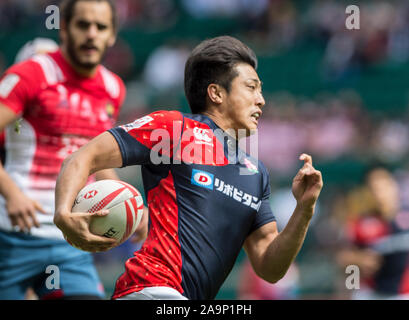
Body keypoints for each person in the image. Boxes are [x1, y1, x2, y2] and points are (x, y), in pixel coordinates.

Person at [54, 35, 323, 300]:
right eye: (251, 87)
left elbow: (270, 267)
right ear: (216, 93)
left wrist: (304, 209)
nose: (261, 99)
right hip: (151, 287)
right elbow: (83, 157)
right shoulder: (174, 129)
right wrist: (63, 214)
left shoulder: (255, 173)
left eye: (260, 90)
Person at [0, 0, 127, 300]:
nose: (92, 34)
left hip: (69, 242)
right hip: (10, 237)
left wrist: (128, 205)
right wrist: (13, 195)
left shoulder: (113, 88)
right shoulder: (32, 74)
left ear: (112, 35)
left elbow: (97, 159)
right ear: (65, 29)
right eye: (83, 25)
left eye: (101, 27)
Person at [336, 166, 409, 299]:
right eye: (374, 189)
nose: (379, 194)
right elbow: (344, 260)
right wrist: (357, 260)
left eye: (383, 187)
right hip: (371, 294)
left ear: (394, 186)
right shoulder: (361, 224)